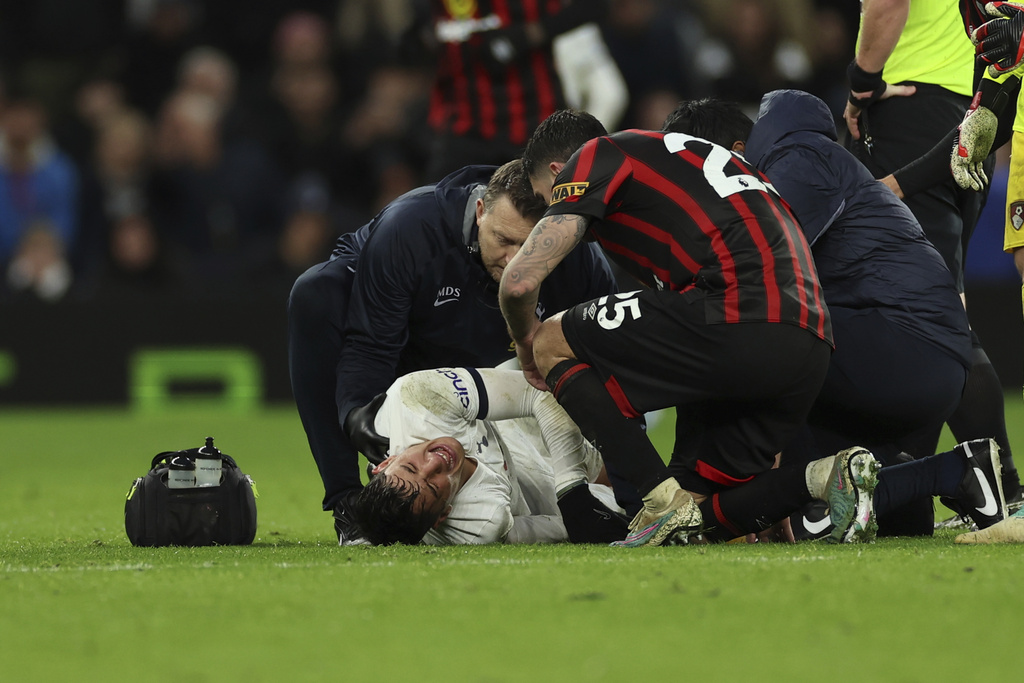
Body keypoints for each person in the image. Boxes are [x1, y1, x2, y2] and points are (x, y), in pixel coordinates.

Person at [502, 108, 886, 547]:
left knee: (553, 339)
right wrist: (772, 492)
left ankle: (658, 500)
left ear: (558, 172)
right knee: (695, 522)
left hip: (735, 312)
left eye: (544, 197)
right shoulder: (691, 178)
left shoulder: (596, 155)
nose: (550, 210)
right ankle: (823, 477)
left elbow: (518, 283)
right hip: (807, 343)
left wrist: (526, 345)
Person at [662, 92, 1006, 539]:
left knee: (741, 338)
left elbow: (754, 274)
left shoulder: (797, 160)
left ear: (734, 154)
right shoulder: (802, 161)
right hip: (894, 350)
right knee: (823, 519)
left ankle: (703, 494)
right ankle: (940, 477)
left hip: (902, 350)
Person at [286, 158, 618, 544]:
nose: (515, 262)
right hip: (395, 325)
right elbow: (371, 345)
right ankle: (347, 504)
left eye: (530, 248)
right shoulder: (410, 230)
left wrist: (622, 472)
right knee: (314, 293)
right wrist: (356, 412)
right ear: (480, 212)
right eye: (504, 240)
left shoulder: (582, 265)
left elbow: (612, 369)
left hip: (469, 348)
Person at [843, 0, 1023, 504]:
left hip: (913, 112)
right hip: (975, 112)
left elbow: (888, 4)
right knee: (937, 308)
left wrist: (861, 82)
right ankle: (918, 485)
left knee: (935, 316)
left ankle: (1002, 486)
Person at [346, 366, 628, 545]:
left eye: (410, 466)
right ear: (444, 514)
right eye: (433, 485)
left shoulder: (417, 400)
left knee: (547, 353)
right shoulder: (482, 521)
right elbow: (567, 525)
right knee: (626, 505)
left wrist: (572, 488)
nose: (434, 462)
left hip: (520, 418)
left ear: (385, 463)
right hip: (530, 494)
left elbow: (538, 393)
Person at [422, 0, 609, 180]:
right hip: (461, 121)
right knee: (440, 205)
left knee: (554, 206)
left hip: (532, 119)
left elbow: (593, 6)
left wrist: (530, 34)